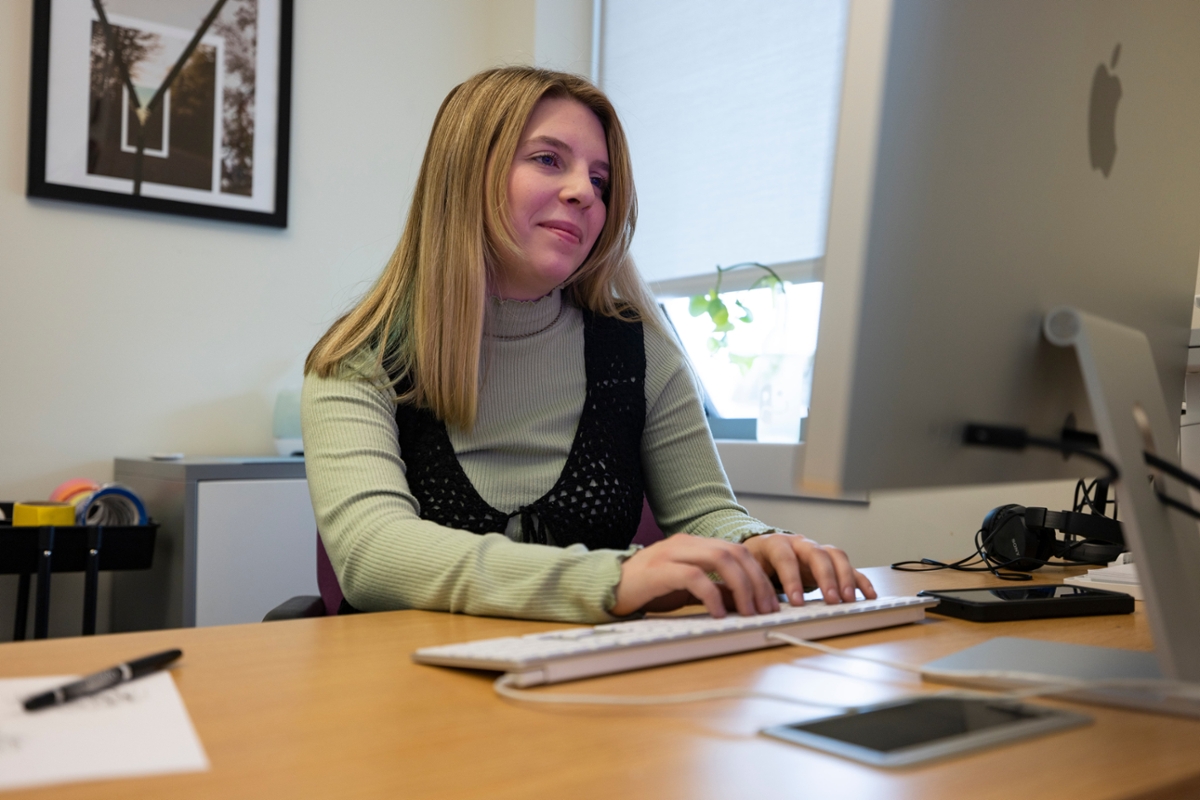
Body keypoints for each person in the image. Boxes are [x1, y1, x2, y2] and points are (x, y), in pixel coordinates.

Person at [302, 66, 876, 624]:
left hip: (581, 682)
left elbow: (705, 513)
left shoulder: (642, 351)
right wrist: (615, 581)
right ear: (464, 173)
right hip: (394, 684)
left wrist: (758, 546)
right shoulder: (358, 357)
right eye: (548, 159)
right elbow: (371, 555)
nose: (584, 193)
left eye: (600, 181)